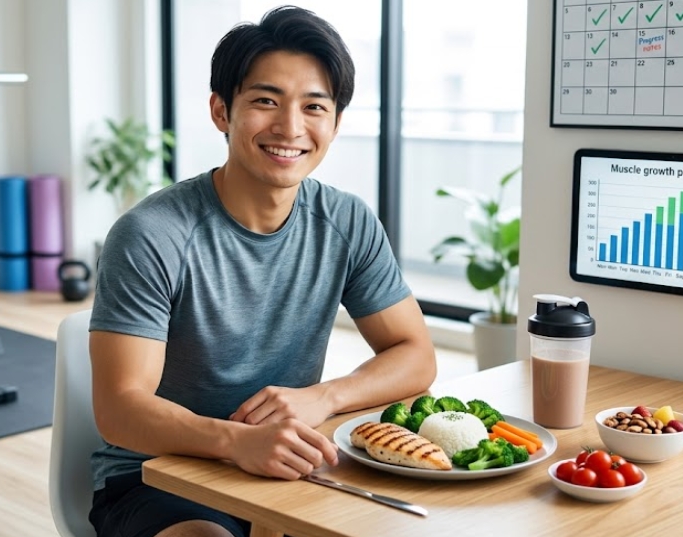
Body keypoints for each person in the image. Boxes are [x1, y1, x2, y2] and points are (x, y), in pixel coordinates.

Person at [87, 6, 436, 537]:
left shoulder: (346, 221)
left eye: (314, 106)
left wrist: (325, 397)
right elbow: (119, 409)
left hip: (291, 467)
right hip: (160, 476)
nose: (290, 128)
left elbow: (415, 355)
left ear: (335, 122)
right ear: (221, 111)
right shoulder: (152, 234)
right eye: (266, 101)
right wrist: (234, 441)